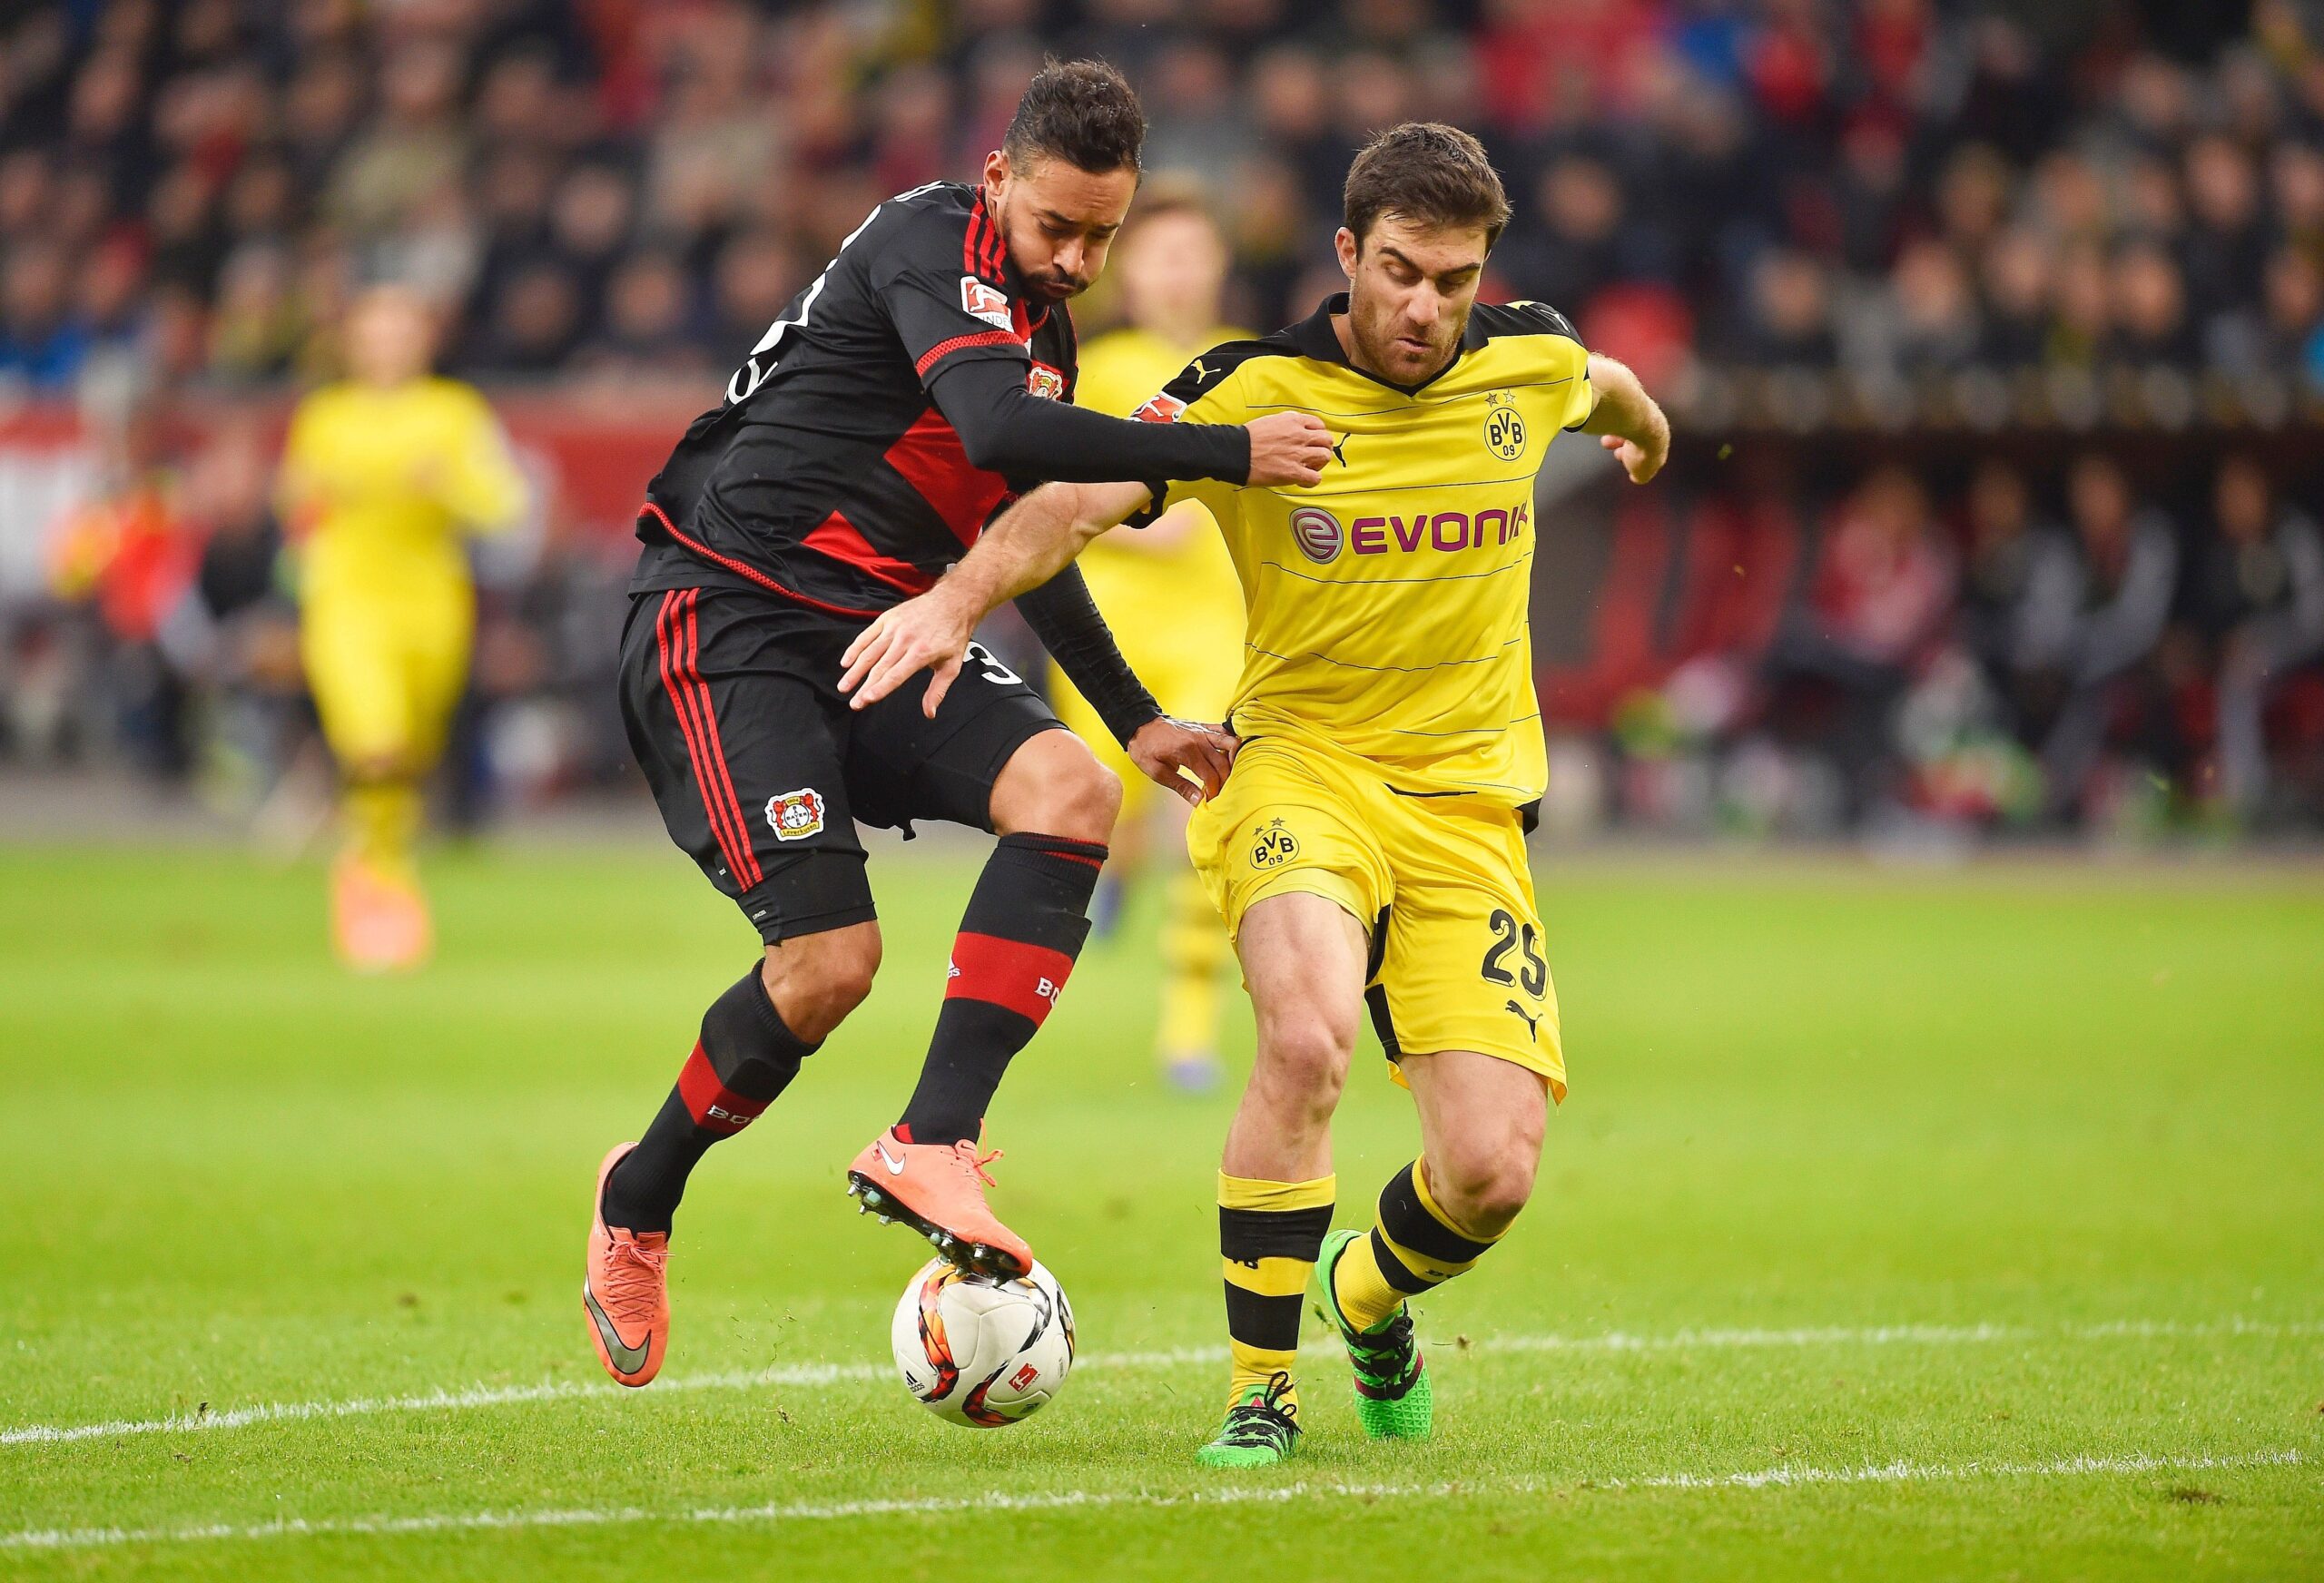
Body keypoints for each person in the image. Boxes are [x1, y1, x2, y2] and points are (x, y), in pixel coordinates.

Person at [837, 123, 1670, 1466]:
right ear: (1346, 256)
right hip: (1298, 770)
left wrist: (1648, 432)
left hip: (1468, 808)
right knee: (1306, 1036)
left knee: (1490, 1172)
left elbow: (1610, 387)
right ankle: (1260, 1391)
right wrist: (952, 601)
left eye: (1455, 281)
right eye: (1400, 271)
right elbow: (1067, 504)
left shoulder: (1532, 362)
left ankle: (1365, 1296)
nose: (1426, 307)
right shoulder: (1247, 387)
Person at [584, 60, 1332, 1390]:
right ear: (998, 180)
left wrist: (1137, 718)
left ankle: (934, 1140)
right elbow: (996, 429)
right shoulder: (925, 238)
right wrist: (1224, 447)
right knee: (828, 969)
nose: (1082, 258)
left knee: (1072, 787)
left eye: (1105, 233)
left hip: (888, 630)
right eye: (1059, 227)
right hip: (729, 620)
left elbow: (1025, 535)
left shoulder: (1044, 329)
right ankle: (638, 1199)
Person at [1052, 190, 1252, 1092]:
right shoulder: (1094, 370)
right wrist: (1131, 523)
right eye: (1160, 254)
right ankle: (1117, 874)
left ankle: (1187, 1031)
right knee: (1111, 816)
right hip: (1110, 626)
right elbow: (1045, 495)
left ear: (1216, 266)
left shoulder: (1253, 368)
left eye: (1193, 253)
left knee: (1203, 816)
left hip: (1214, 625)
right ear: (1128, 271)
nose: (1178, 270)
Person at [276, 284, 527, 970]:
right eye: (374, 331)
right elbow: (295, 510)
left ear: (424, 340)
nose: (387, 344)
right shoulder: (325, 417)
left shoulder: (453, 413)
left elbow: (506, 505)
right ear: (352, 341)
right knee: (376, 740)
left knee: (408, 754)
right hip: (349, 603)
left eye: (401, 331)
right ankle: (374, 881)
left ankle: (380, 864)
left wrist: (447, 485)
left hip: (433, 607)